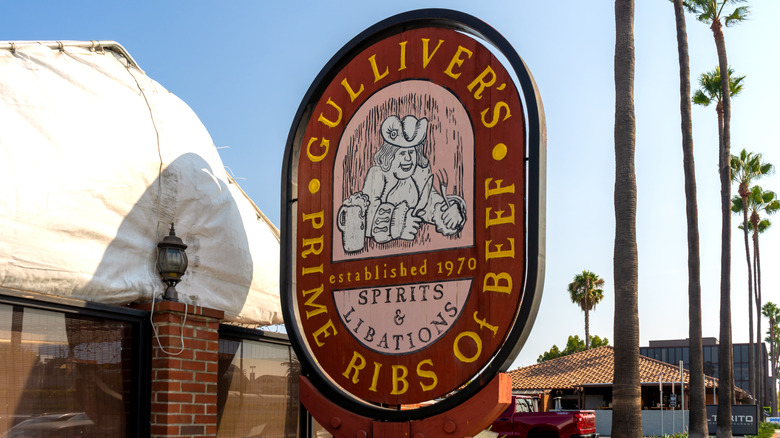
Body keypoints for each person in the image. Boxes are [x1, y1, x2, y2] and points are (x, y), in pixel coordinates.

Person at [337, 114, 466, 253]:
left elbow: (431, 202)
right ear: (390, 155)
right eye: (402, 153)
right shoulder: (377, 175)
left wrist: (451, 212)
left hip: (416, 256)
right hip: (379, 258)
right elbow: (368, 216)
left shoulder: (419, 174)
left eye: (411, 152)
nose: (408, 158)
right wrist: (398, 224)